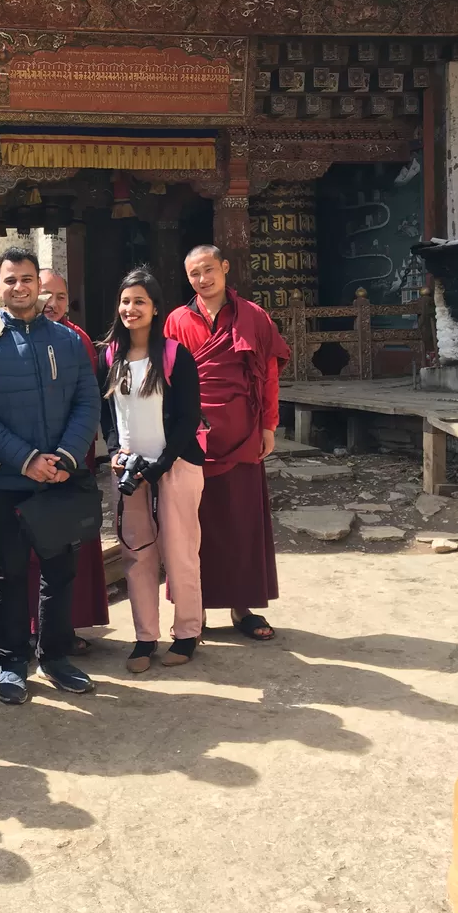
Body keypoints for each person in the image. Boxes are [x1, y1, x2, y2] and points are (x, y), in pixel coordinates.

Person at [0, 247, 101, 706]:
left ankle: (55, 657)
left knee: (59, 573)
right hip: (8, 481)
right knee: (10, 573)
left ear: (37, 285)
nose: (20, 287)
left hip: (59, 476)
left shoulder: (66, 339)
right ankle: (12, 662)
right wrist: (27, 460)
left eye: (26, 279)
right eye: (10, 280)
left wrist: (64, 455)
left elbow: (87, 400)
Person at [164, 245, 290, 641]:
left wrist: (269, 425)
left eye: (208, 270)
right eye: (193, 274)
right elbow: (166, 381)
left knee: (240, 522)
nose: (202, 279)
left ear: (224, 268)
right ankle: (193, 609)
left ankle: (242, 607)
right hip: (192, 437)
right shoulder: (176, 320)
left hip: (241, 433)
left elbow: (268, 373)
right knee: (192, 524)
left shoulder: (253, 316)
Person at [98, 269, 205, 671]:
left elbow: (187, 417)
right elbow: (107, 415)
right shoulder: (110, 356)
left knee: (180, 553)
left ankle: (188, 631)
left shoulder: (176, 355)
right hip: (129, 471)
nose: (130, 309)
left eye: (139, 301)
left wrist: (160, 465)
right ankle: (145, 638)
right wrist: (114, 451)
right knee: (136, 554)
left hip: (174, 466)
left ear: (156, 308)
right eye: (125, 302)